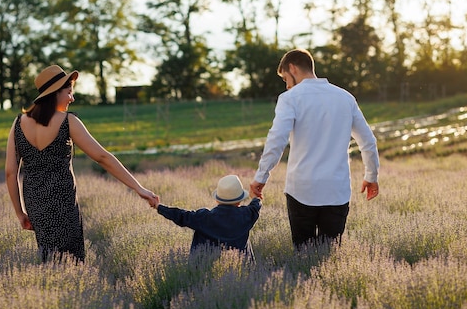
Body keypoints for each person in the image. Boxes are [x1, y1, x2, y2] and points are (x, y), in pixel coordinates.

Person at [5, 65, 158, 262]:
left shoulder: (18, 123)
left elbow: (10, 173)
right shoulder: (68, 121)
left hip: (36, 205)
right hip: (63, 203)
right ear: (55, 93)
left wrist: (20, 213)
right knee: (72, 262)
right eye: (69, 92)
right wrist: (139, 188)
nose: (72, 98)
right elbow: (102, 157)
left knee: (49, 260)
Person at [250, 48, 379, 249]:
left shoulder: (290, 99)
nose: (286, 85)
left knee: (302, 255)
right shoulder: (345, 97)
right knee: (329, 258)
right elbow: (368, 141)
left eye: (285, 78)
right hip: (337, 190)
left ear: (292, 68)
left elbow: (277, 140)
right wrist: (371, 176)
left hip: (301, 189)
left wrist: (261, 177)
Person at [153, 174, 262, 259]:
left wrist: (158, 207)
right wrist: (255, 196)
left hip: (206, 271)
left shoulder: (204, 217)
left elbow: (180, 216)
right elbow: (255, 205)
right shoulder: (247, 215)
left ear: (217, 199)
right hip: (241, 271)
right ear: (239, 201)